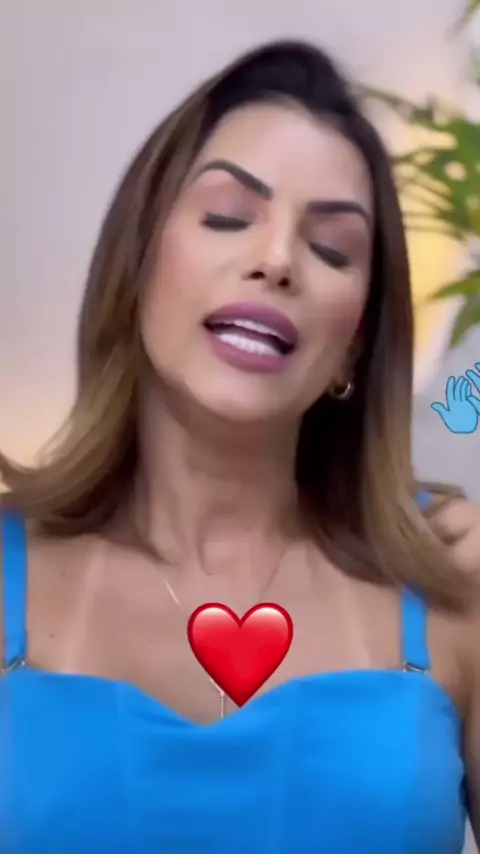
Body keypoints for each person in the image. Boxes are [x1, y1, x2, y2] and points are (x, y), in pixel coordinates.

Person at [1, 39, 480, 854]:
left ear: (355, 346)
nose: (277, 260)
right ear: (138, 263)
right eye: (227, 216)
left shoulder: (452, 577)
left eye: (332, 248)